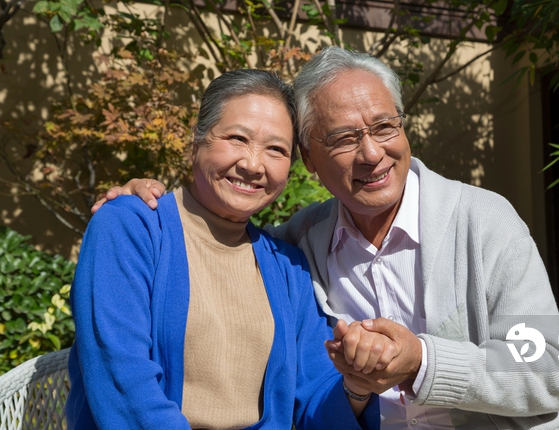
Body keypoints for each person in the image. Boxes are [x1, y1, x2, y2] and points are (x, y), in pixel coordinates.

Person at [96, 48, 559, 430]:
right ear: (312, 163)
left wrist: (422, 363)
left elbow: (545, 368)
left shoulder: (483, 220)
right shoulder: (295, 245)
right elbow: (210, 241)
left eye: (384, 127)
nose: (371, 153)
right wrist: (137, 200)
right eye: (343, 138)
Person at [65, 69, 381, 430]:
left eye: (276, 149)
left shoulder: (287, 266)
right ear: (196, 140)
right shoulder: (129, 228)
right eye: (237, 138)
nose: (252, 163)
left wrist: (355, 386)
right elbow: (124, 384)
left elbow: (315, 400)